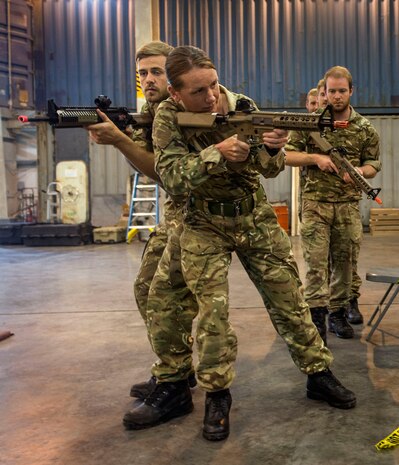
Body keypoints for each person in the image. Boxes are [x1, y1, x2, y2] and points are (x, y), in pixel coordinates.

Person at [122, 46, 356, 442]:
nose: (212, 96)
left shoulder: (242, 106)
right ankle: (215, 393)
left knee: (290, 300)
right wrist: (217, 152)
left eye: (213, 84)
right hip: (202, 222)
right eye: (199, 91)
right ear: (176, 94)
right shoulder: (167, 117)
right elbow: (173, 177)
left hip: (252, 217)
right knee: (211, 313)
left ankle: (318, 373)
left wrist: (273, 147)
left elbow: (267, 170)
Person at [87, 40, 197, 400]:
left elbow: (166, 173)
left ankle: (175, 382)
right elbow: (148, 168)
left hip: (200, 215)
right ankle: (175, 368)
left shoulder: (185, 109)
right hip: (177, 211)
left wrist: (121, 141)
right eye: (142, 73)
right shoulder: (148, 111)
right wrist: (124, 136)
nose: (148, 80)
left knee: (165, 297)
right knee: (145, 290)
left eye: (156, 71)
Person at [285, 66, 381, 342]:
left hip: (348, 206)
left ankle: (338, 313)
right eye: (331, 91)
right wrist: (316, 159)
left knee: (344, 263)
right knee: (315, 264)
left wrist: (361, 172)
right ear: (324, 93)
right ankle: (316, 318)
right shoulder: (310, 123)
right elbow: (288, 155)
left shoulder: (364, 128)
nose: (337, 96)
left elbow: (374, 163)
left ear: (351, 91)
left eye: (342, 91)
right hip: (315, 204)